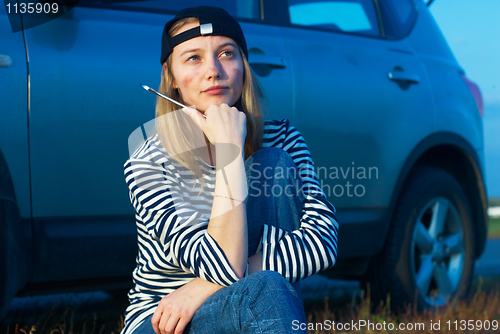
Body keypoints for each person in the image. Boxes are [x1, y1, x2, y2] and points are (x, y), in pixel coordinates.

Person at [122, 6, 339, 334]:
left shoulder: (283, 137)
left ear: (244, 67)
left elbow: (322, 242)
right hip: (165, 318)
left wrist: (201, 287)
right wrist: (229, 153)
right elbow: (219, 264)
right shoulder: (150, 158)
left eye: (226, 53)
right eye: (193, 58)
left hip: (245, 299)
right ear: (171, 77)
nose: (213, 70)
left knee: (274, 163)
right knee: (267, 288)